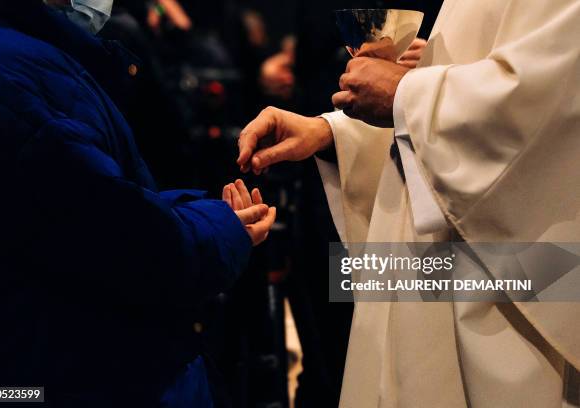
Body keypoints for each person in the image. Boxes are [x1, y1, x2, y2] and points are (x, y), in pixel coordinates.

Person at [237, 0, 580, 406]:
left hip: (512, 278)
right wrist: (333, 135)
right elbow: (464, 103)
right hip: (435, 269)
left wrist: (405, 92)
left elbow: (547, 102)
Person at [0, 0, 275, 406]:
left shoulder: (12, 50)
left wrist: (189, 209)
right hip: (70, 372)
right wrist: (222, 226)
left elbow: (64, 207)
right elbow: (124, 241)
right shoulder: (18, 71)